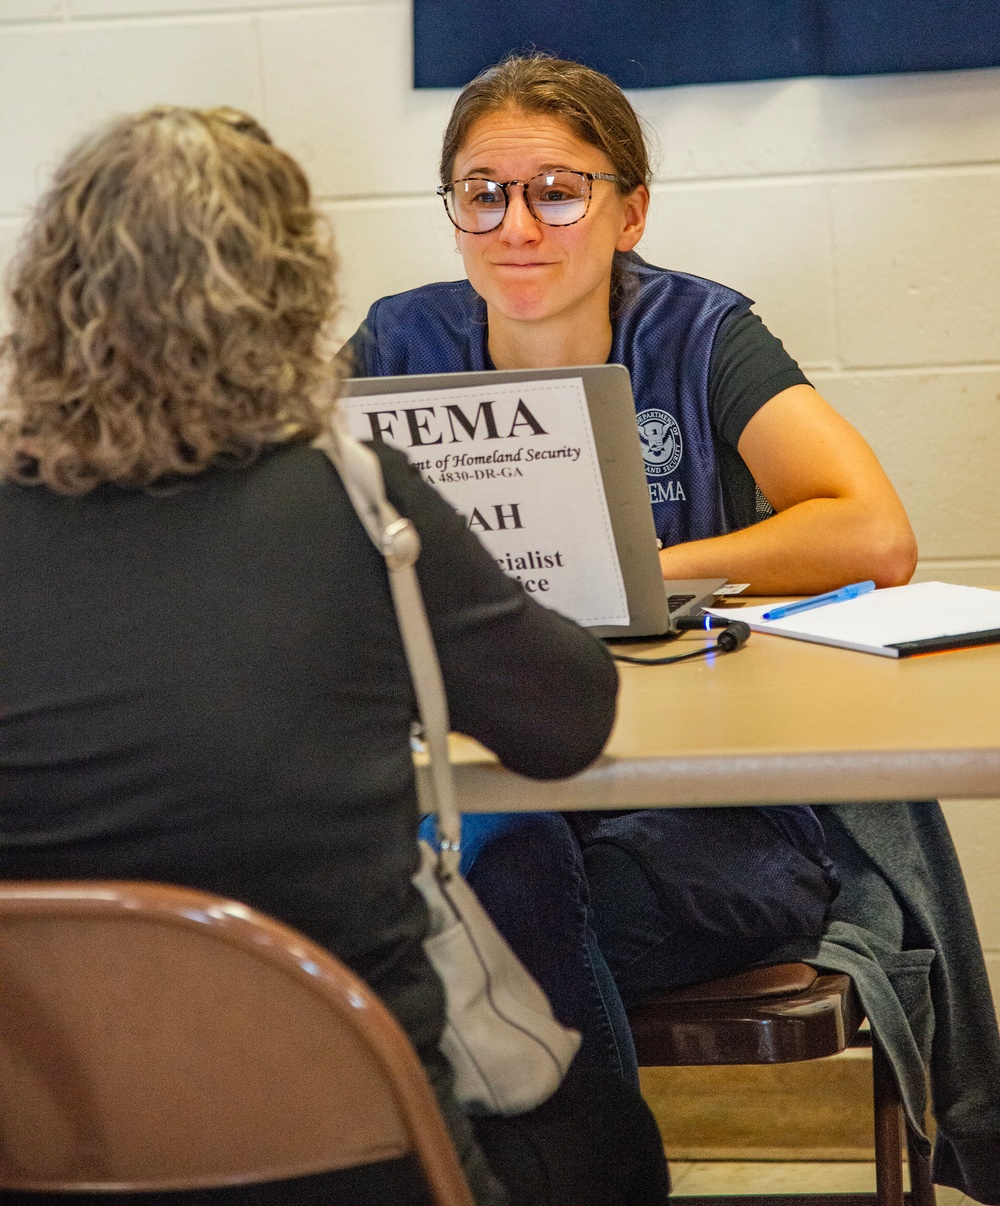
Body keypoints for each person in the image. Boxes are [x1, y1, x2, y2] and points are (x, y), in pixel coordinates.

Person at [0, 106, 669, 1206]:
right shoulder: (357, 507)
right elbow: (567, 725)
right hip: (354, 1158)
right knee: (594, 1141)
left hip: (46, 1154)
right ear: (288, 291)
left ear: (48, 294)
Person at [341, 54, 920, 1083]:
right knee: (468, 900)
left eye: (557, 193)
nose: (517, 227)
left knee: (501, 934)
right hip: (479, 789)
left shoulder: (701, 334)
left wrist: (629, 571)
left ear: (630, 213)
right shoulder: (399, 340)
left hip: (705, 810)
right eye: (483, 195)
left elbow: (872, 535)